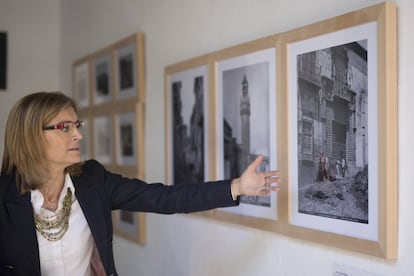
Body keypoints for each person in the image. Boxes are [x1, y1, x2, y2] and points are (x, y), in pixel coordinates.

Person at [0, 91, 280, 276]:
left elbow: (164, 198)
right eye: (64, 128)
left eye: (77, 126)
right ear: (30, 136)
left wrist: (237, 187)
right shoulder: (4, 196)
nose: (78, 136)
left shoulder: (93, 181)